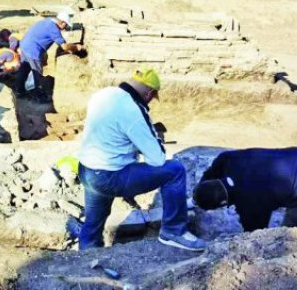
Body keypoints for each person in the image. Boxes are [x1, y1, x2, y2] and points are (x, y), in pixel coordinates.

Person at [76, 69, 206, 251]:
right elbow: (157, 159)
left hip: (87, 169)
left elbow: (112, 132)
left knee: (93, 222)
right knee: (175, 170)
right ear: (149, 93)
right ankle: (174, 231)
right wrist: (154, 138)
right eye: (152, 97)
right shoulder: (133, 110)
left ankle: (86, 255)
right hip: (110, 176)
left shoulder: (104, 94)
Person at [193, 147, 297, 232]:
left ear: (223, 203)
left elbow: (256, 235)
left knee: (288, 238)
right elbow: (209, 174)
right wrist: (199, 193)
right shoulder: (226, 159)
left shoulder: (249, 204)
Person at [15, 11, 83, 103]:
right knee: (38, 74)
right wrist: (76, 47)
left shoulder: (48, 21)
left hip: (25, 45)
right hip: (33, 50)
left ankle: (19, 91)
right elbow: (64, 47)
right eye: (66, 25)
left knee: (24, 69)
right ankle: (39, 97)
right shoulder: (53, 29)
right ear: (63, 22)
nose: (65, 27)